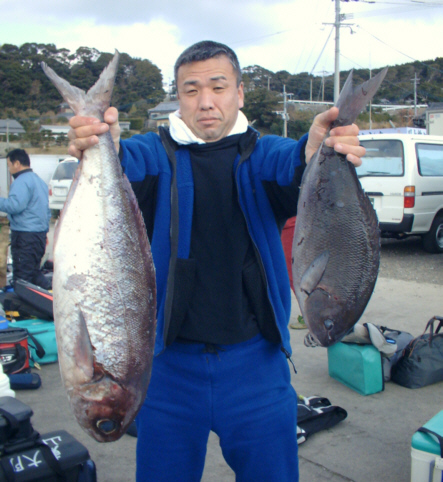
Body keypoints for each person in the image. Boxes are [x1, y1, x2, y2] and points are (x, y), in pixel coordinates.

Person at [68, 41, 365, 482]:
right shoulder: (154, 153)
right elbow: (128, 161)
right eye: (191, 90)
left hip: (257, 368)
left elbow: (293, 165)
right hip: (166, 369)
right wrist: (102, 145)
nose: (205, 101)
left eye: (218, 87)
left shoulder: (264, 155)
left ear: (239, 93)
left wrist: (315, 152)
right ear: (178, 97)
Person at [0, 149, 51, 290]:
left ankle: (24, 301)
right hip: (38, 236)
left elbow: (14, 205)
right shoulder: (39, 181)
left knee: (22, 278)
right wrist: (44, 233)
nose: (9, 169)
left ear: (17, 163)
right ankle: (50, 293)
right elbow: (46, 211)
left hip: (25, 237)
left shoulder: (21, 181)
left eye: (9, 165)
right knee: (33, 272)